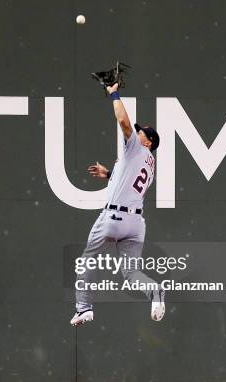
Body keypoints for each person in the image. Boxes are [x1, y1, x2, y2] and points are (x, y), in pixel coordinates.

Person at [70, 82, 164, 326]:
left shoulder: (136, 147)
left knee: (87, 260)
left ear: (148, 142)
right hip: (136, 223)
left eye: (142, 132)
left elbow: (123, 122)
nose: (137, 132)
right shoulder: (150, 164)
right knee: (131, 274)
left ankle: (83, 308)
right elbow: (129, 182)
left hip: (113, 219)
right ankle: (155, 293)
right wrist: (110, 173)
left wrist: (114, 94)